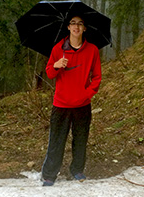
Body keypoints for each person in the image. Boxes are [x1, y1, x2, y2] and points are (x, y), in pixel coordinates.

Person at [41, 15, 102, 186]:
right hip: (61, 104)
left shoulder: (92, 50)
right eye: (73, 23)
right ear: (68, 27)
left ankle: (77, 170)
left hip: (82, 105)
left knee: (80, 139)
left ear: (85, 28)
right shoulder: (57, 49)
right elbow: (49, 73)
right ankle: (49, 174)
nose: (76, 27)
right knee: (56, 141)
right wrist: (56, 65)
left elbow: (97, 77)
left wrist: (86, 94)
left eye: (80, 24)